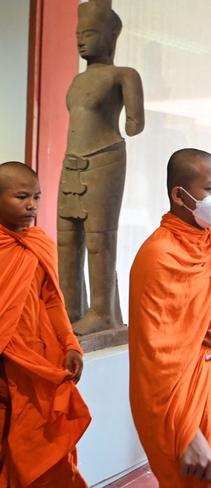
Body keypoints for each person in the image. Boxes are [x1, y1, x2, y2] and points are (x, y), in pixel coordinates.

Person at [129, 149, 211, 487]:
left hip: (207, 391)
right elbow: (155, 359)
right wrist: (187, 433)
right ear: (179, 195)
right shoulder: (158, 255)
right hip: (173, 409)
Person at [0, 162, 91, 487]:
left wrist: (70, 344)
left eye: (36, 197)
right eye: (21, 197)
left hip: (38, 364)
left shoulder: (40, 243)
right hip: (4, 365)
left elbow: (53, 300)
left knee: (41, 447)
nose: (31, 206)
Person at [58, 0, 145, 336]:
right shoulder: (78, 80)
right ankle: (69, 308)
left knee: (99, 239)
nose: (81, 40)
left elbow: (135, 122)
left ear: (111, 37)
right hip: (71, 161)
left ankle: (102, 312)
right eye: (79, 34)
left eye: (89, 33)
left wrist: (134, 114)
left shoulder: (122, 76)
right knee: (66, 240)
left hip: (105, 158)